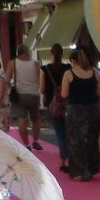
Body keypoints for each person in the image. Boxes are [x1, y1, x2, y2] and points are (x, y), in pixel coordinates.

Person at [62, 47, 100, 181]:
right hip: (93, 109)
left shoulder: (69, 74)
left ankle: (79, 171)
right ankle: (91, 168)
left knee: (75, 141)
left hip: (75, 111)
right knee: (92, 140)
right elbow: (99, 92)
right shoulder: (95, 73)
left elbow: (64, 94)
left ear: (74, 60)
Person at [6, 44, 44, 150]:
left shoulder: (12, 63)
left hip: (19, 95)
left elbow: (7, 79)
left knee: (22, 119)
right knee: (35, 119)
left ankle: (26, 144)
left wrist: (8, 90)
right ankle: (36, 140)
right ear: (27, 52)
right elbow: (40, 80)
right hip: (33, 95)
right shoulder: (35, 64)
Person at [42, 42, 71, 170]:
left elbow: (42, 89)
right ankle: (68, 158)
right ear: (62, 54)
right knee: (68, 132)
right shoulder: (68, 68)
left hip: (53, 104)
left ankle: (65, 160)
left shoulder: (45, 69)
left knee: (60, 133)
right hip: (67, 103)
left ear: (51, 54)